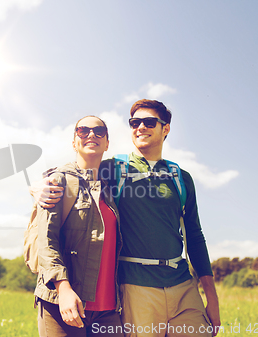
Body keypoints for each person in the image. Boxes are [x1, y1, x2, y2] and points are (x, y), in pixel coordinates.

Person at [33, 100, 221, 337]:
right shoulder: (114, 169)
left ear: (166, 129)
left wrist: (211, 297)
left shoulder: (181, 178)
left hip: (183, 285)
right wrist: (39, 186)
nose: (140, 127)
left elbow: (195, 236)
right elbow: (74, 172)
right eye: (135, 123)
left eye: (149, 122)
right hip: (136, 286)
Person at [34, 116, 124, 337]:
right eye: (83, 130)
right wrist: (63, 289)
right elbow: (46, 242)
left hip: (108, 309)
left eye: (99, 131)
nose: (91, 134)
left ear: (107, 143)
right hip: (62, 303)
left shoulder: (112, 186)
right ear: (74, 142)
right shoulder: (58, 181)